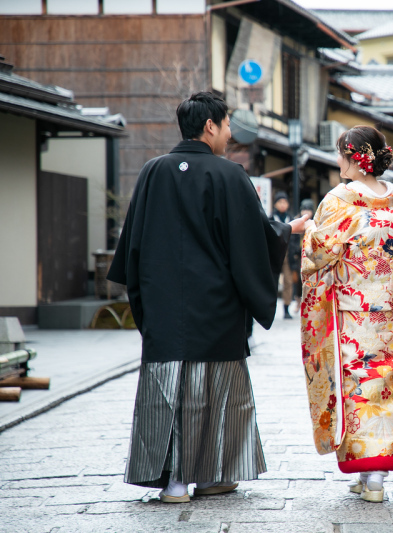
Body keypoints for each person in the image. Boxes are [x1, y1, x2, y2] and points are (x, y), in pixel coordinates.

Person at [107, 92, 308, 503]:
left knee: (168, 388)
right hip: (215, 307)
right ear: (211, 127)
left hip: (163, 305)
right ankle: (212, 476)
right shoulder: (230, 175)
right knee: (214, 391)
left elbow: (133, 246)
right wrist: (289, 231)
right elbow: (255, 237)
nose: (231, 132)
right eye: (228, 124)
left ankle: (173, 482)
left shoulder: (151, 172)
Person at [300, 126, 393, 503]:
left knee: (356, 388)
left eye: (340, 155)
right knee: (389, 385)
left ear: (353, 157)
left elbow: (320, 252)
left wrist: (310, 230)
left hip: (353, 314)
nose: (337, 162)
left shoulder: (337, 200)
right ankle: (376, 473)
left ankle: (368, 472)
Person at [290, 199, 316, 314]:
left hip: (311, 256)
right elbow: (292, 240)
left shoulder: (316, 222)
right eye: (304, 209)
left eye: (308, 210)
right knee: (298, 281)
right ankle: (297, 301)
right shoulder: (297, 221)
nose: (306, 212)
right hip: (299, 255)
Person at [272, 191, 295, 319]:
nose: (282, 204)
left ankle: (286, 308)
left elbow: (295, 239)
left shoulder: (291, 218)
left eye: (284, 202)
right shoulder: (270, 218)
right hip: (275, 252)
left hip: (288, 254)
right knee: (272, 281)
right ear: (275, 204)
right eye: (280, 202)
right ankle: (271, 307)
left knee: (288, 280)